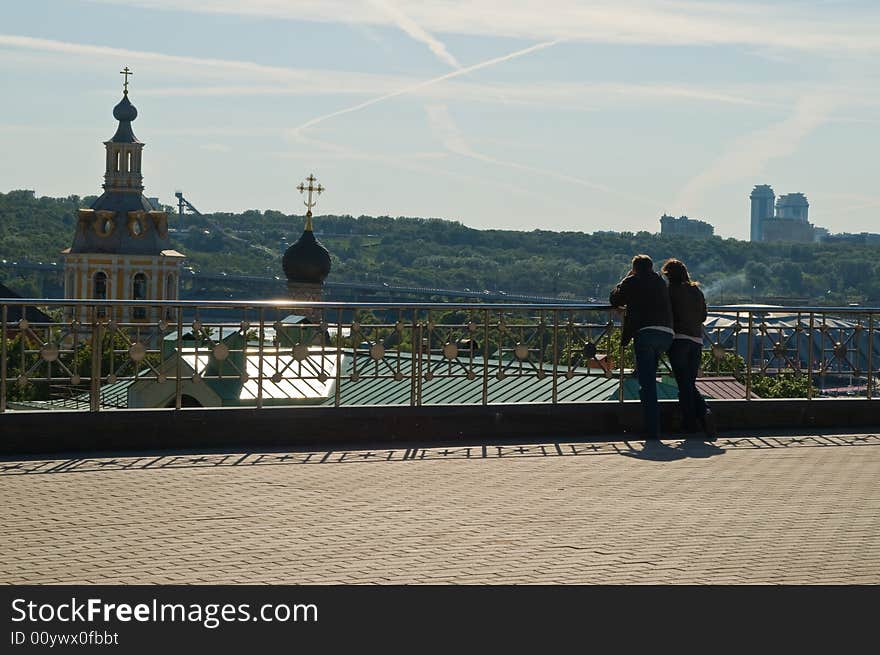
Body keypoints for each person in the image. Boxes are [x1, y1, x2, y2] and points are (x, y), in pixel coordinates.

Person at [609, 254, 674, 441]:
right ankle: (655, 424)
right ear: (652, 267)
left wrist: (624, 279)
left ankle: (652, 430)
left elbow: (615, 299)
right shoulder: (660, 281)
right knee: (649, 377)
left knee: (647, 384)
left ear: (635, 268)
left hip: (646, 333)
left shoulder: (633, 280)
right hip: (666, 334)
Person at [661, 258, 716, 441]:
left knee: (684, 385)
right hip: (697, 341)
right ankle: (701, 415)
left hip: (678, 340)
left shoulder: (670, 291)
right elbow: (703, 316)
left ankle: (693, 421)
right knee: (688, 383)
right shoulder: (696, 291)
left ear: (669, 275)